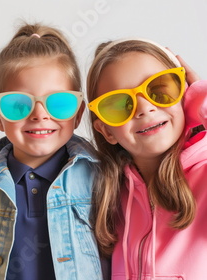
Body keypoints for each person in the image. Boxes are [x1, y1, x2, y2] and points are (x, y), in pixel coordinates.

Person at [0, 23, 105, 280]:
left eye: (59, 103)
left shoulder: (103, 177)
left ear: (78, 114)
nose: (40, 115)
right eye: (18, 104)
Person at [87, 38, 207, 279]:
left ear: (185, 96)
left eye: (160, 90)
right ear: (107, 131)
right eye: (120, 105)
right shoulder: (108, 195)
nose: (144, 109)